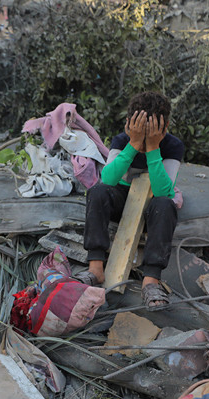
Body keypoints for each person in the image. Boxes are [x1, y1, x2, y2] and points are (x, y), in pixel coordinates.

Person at [78, 91, 184, 309]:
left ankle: (151, 280)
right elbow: (107, 178)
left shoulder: (172, 146)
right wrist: (133, 145)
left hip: (153, 205)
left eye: (152, 134)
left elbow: (163, 191)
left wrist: (153, 148)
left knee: (166, 204)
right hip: (122, 198)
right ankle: (95, 268)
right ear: (129, 124)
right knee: (97, 192)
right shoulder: (122, 140)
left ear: (164, 128)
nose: (145, 140)